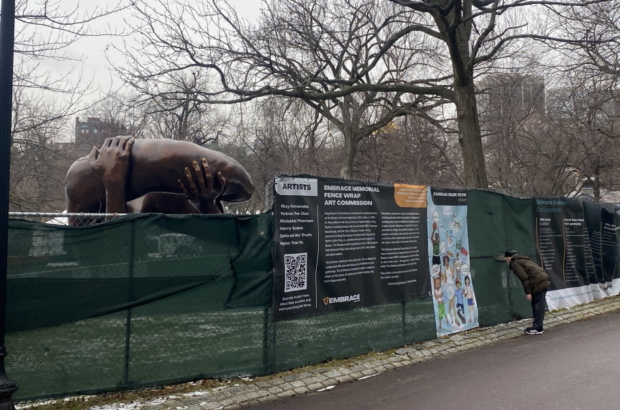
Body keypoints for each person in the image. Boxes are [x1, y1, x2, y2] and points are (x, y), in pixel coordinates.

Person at [64, 136, 254, 223]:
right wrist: (113, 183)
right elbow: (114, 254)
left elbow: (224, 251)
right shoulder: (91, 198)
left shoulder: (183, 197)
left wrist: (207, 205)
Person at [504, 250, 550, 335]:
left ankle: (538, 328)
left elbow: (524, 278)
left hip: (537, 283)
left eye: (506, 259)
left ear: (508, 258)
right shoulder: (525, 260)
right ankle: (537, 326)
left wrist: (528, 293)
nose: (506, 261)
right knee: (537, 305)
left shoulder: (515, 263)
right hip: (543, 280)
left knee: (538, 306)